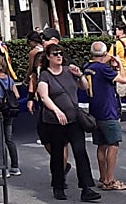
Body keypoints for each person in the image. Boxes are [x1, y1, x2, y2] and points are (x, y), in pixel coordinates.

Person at [35, 43, 100, 202]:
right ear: (49, 57)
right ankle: (58, 185)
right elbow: (44, 96)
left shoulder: (68, 71)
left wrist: (80, 76)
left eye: (61, 53)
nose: (59, 56)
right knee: (58, 154)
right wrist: (57, 111)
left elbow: (84, 87)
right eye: (55, 54)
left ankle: (86, 187)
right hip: (54, 121)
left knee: (80, 152)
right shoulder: (45, 75)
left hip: (74, 119)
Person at [83, 41, 126, 191]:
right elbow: (123, 79)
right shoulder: (103, 69)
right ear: (104, 54)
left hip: (95, 111)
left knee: (101, 146)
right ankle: (110, 179)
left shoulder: (87, 68)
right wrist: (119, 63)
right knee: (113, 144)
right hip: (108, 111)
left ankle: (103, 177)